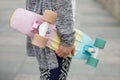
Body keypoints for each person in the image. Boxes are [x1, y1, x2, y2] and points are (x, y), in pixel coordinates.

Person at [26, 0, 75, 80]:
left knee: (47, 76)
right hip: (56, 39)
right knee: (54, 76)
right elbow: (59, 4)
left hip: (43, 32)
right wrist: (67, 40)